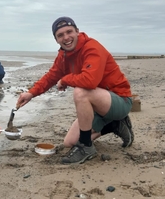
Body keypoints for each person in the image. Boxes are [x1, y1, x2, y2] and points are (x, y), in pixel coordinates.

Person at [16, 16, 134, 165]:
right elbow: (51, 76)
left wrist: (65, 80)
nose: (66, 37)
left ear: (77, 31)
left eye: (69, 32)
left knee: (81, 91)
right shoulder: (64, 55)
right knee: (69, 142)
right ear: (56, 39)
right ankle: (115, 125)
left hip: (119, 101)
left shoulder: (92, 47)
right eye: (60, 35)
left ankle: (86, 147)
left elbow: (90, 81)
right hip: (97, 106)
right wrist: (31, 93)